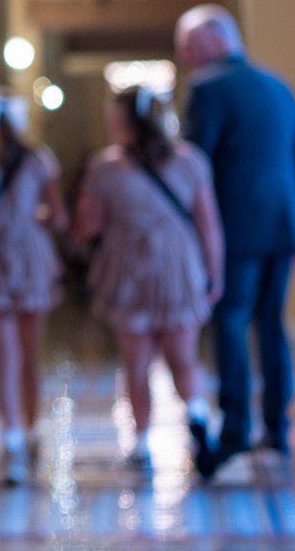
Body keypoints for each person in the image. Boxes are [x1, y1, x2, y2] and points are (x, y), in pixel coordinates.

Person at [175, 4, 295, 480]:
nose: (185, 56)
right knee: (272, 327)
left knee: (231, 324)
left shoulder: (208, 89)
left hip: (235, 230)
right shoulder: (279, 86)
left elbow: (197, 165)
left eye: (189, 46)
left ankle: (235, 432)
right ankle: (276, 430)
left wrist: (191, 231)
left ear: (216, 41)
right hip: (285, 225)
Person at [75, 87, 223, 471]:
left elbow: (88, 226)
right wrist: (214, 274)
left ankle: (141, 442)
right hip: (180, 266)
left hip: (130, 268)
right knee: (183, 357)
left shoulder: (105, 168)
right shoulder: (190, 160)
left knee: (136, 361)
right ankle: (198, 414)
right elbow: (209, 226)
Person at [0, 96, 63, 486]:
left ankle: (15, 438)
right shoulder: (39, 159)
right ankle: (27, 434)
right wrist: (32, 215)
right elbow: (59, 215)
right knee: (27, 357)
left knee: (8, 358)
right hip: (31, 258)